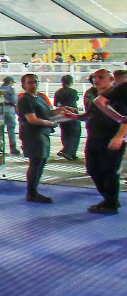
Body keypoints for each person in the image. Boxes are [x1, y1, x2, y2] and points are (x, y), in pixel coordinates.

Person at [16, 73, 73, 203]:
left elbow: (48, 113)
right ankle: (31, 192)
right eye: (30, 82)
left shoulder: (39, 97)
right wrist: (50, 123)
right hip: (33, 135)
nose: (33, 85)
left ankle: (33, 190)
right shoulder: (25, 100)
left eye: (35, 82)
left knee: (41, 162)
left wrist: (62, 110)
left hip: (42, 133)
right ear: (23, 85)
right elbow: (32, 119)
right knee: (36, 163)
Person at [85, 69, 127, 214]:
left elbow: (125, 120)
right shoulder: (93, 95)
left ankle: (110, 203)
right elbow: (91, 114)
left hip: (111, 139)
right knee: (93, 169)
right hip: (94, 138)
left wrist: (119, 136)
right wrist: (75, 117)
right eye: (95, 77)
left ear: (111, 79)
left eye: (101, 77)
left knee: (108, 171)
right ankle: (110, 199)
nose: (97, 80)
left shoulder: (118, 95)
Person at [54, 74, 82, 160]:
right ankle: (70, 152)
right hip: (72, 115)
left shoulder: (58, 92)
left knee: (65, 133)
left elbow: (56, 104)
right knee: (75, 133)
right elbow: (72, 102)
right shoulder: (73, 92)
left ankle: (66, 149)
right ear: (71, 82)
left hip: (62, 115)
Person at [0, 76, 20, 155]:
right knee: (11, 130)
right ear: (10, 82)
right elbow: (14, 100)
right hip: (9, 110)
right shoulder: (11, 89)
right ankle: (13, 148)